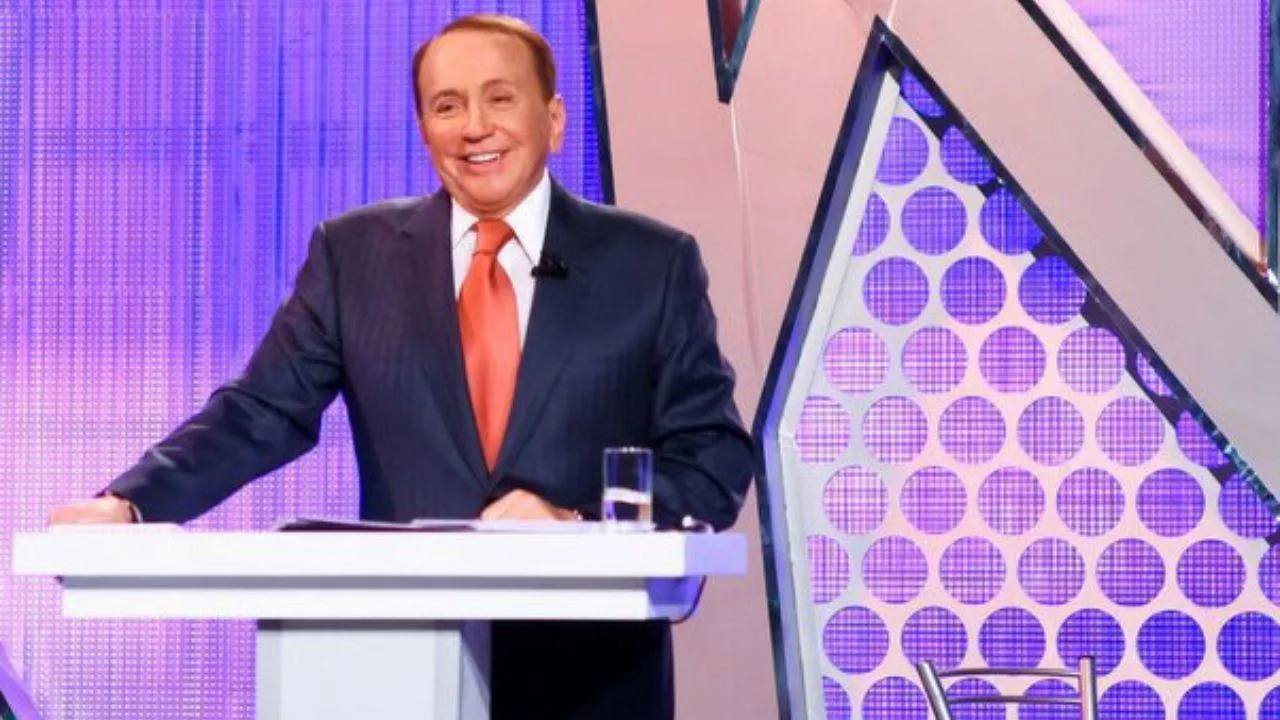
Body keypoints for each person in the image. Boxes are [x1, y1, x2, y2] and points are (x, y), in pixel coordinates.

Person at [49, 12, 754, 720]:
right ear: (423, 128)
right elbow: (261, 410)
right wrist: (133, 503)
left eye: (500, 98)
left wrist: (581, 523)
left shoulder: (650, 263)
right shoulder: (353, 255)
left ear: (554, 119)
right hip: (401, 672)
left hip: (593, 682)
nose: (474, 126)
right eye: (447, 106)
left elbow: (713, 456)